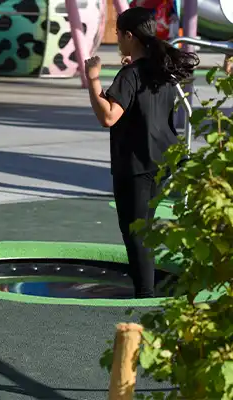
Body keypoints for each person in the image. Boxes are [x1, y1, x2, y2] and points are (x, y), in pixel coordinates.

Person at [83, 7, 198, 298]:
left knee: (136, 234)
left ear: (129, 35)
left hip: (135, 163)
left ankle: (145, 294)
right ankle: (147, 288)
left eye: (119, 35)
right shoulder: (163, 68)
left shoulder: (130, 74)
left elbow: (109, 117)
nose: (118, 40)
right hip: (163, 158)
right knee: (144, 228)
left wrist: (93, 79)